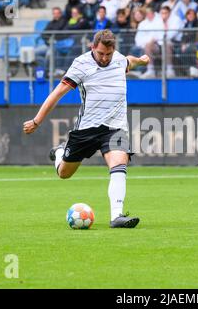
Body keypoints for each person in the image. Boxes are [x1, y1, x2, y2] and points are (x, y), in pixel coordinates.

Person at [23, 29, 150, 229]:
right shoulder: (81, 64)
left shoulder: (117, 59)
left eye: (108, 54)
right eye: (101, 54)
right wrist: (37, 121)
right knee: (64, 173)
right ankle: (59, 153)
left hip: (115, 128)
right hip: (87, 129)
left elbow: (130, 61)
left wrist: (142, 60)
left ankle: (117, 216)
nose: (105, 58)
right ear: (93, 47)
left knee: (119, 163)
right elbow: (57, 94)